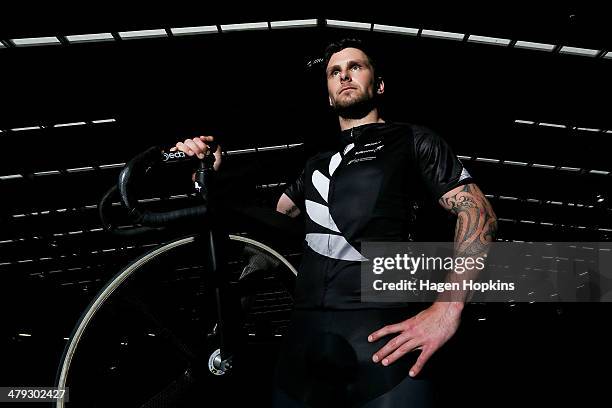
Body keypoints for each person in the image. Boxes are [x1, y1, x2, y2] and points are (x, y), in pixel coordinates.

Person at [173, 37, 497, 407]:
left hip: (384, 341)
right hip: (304, 348)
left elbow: (477, 212)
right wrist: (210, 173)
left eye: (355, 67)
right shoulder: (314, 165)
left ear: (379, 84)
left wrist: (448, 308)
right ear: (328, 95)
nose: (344, 75)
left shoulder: (412, 139)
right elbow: (264, 225)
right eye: (334, 72)